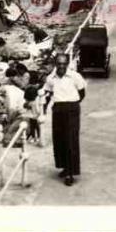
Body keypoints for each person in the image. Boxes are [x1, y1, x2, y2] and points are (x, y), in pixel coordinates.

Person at [43, 53, 86, 186]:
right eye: (59, 63)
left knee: (70, 139)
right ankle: (64, 167)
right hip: (58, 109)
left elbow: (82, 93)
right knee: (59, 139)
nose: (61, 66)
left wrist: (72, 104)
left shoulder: (75, 76)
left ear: (67, 63)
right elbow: (48, 93)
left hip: (72, 108)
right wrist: (44, 108)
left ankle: (70, 173)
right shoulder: (51, 78)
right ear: (56, 64)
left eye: (64, 63)